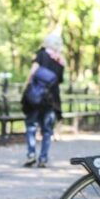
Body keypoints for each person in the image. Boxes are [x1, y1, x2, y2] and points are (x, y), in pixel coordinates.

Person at [22, 33, 65, 167]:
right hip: (51, 99)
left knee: (31, 126)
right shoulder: (60, 61)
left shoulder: (41, 54)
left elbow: (33, 72)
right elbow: (59, 82)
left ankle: (31, 154)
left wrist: (26, 88)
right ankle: (43, 159)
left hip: (36, 97)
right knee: (47, 130)